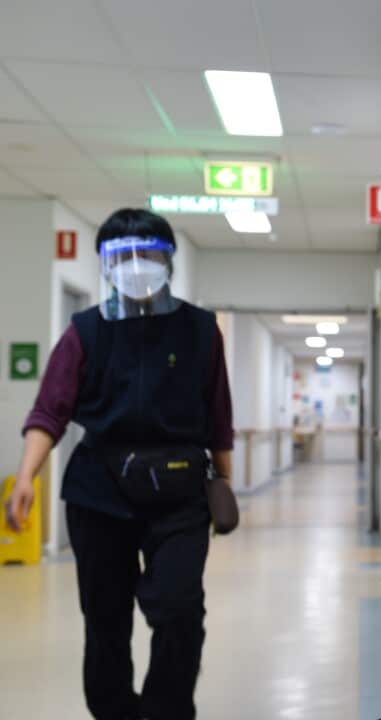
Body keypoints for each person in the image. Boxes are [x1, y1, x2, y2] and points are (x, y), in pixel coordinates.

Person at [5, 208, 234, 720]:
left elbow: (218, 416)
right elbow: (51, 409)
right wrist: (26, 477)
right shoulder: (84, 332)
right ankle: (115, 713)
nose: (137, 265)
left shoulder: (200, 331)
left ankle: (165, 710)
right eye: (122, 256)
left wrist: (224, 483)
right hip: (99, 492)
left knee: (177, 609)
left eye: (148, 253)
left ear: (168, 260)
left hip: (179, 493)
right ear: (104, 265)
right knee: (105, 619)